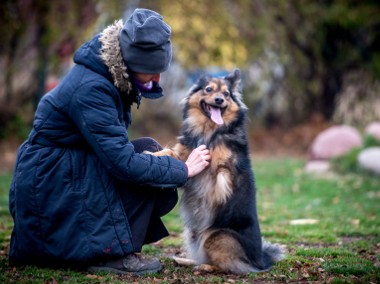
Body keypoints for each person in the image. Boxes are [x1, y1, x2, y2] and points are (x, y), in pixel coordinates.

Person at [8, 8, 210, 276]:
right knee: (143, 169)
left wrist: (165, 163)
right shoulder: (92, 88)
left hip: (65, 175)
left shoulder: (112, 76)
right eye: (152, 70)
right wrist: (183, 170)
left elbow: (120, 152)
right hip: (50, 187)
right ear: (133, 62)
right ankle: (109, 255)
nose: (157, 78)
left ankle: (116, 247)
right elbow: (122, 164)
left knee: (148, 150)